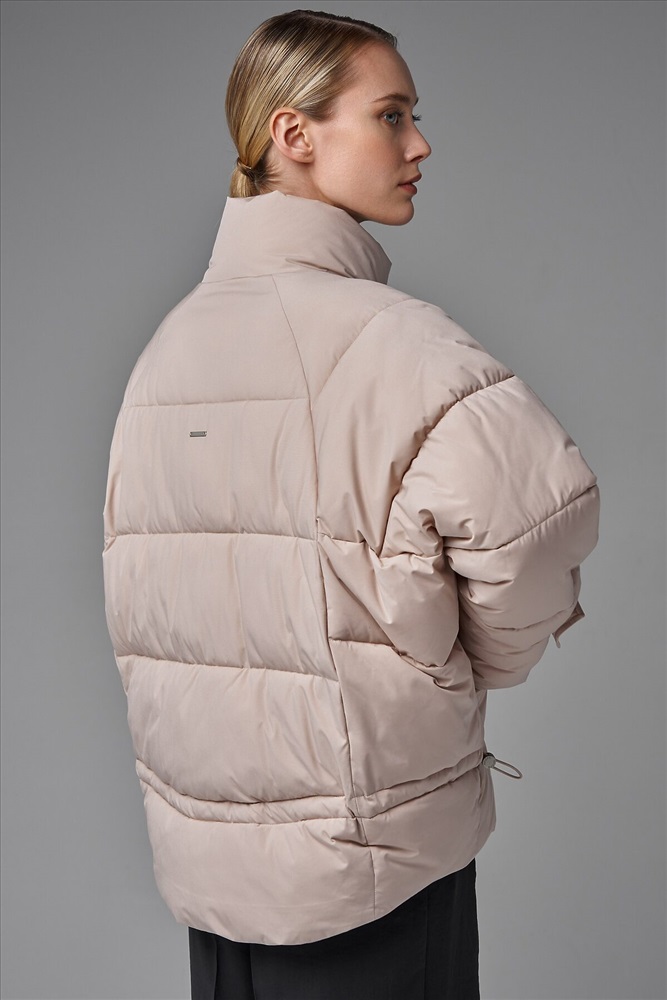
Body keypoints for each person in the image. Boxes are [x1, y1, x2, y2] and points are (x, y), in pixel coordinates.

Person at [102, 9, 600, 999]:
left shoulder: (164, 356)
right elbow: (541, 530)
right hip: (374, 869)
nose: (419, 145)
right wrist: (474, 662)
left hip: (215, 883)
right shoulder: (402, 349)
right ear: (293, 134)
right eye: (391, 115)